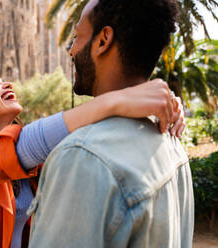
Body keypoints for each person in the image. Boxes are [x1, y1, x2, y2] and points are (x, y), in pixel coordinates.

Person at [0, 69, 185, 247]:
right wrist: (112, 102)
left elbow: (84, 137)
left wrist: (163, 102)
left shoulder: (34, 161)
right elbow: (12, 151)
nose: (8, 83)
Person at [28, 0, 193, 247]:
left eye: (76, 37)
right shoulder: (172, 142)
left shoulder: (82, 158)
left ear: (103, 40)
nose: (71, 50)